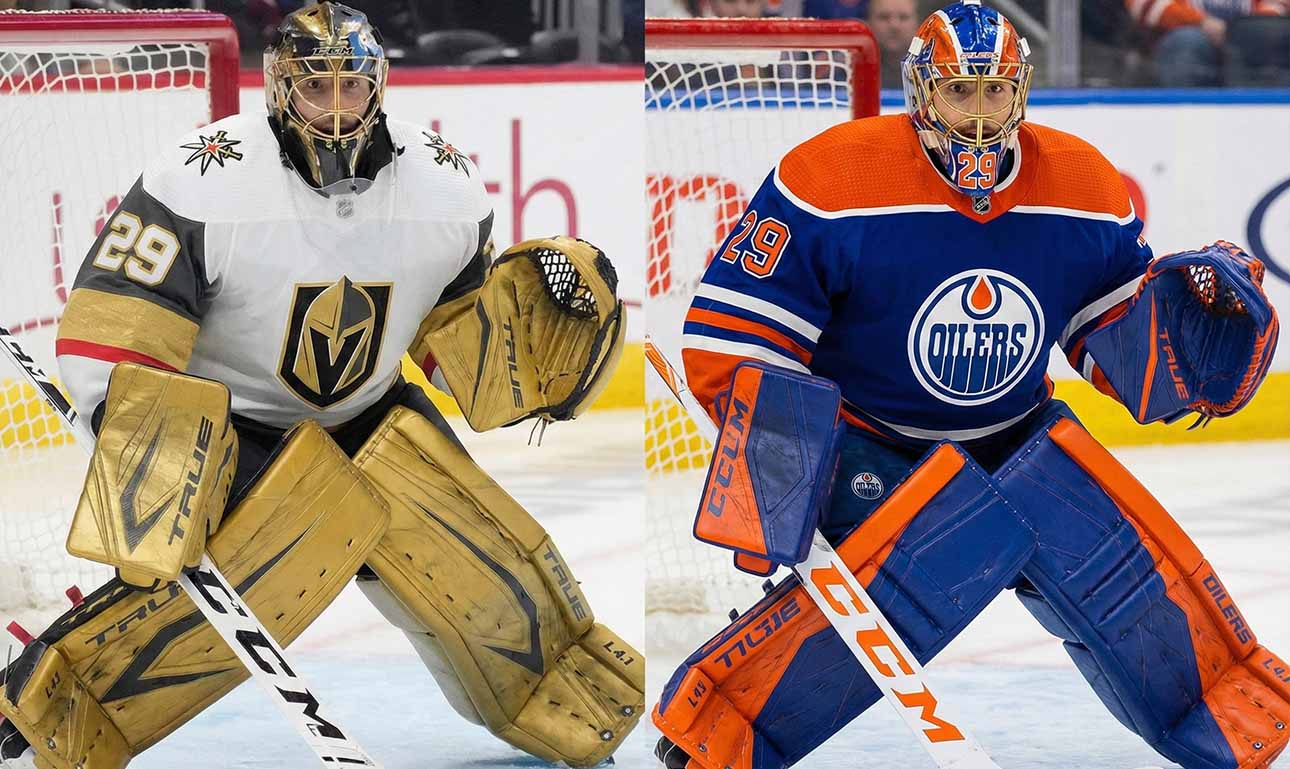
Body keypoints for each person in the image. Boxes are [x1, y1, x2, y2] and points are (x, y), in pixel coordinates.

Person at [0, 4, 642, 769]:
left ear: (379, 86)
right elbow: (114, 319)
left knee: (483, 564)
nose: (337, 107)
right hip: (231, 424)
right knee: (251, 567)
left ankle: (560, 698)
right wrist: (151, 447)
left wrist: (519, 359)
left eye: (353, 86)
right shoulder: (201, 178)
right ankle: (45, 705)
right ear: (280, 87)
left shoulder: (444, 186)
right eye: (317, 87)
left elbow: (456, 348)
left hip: (371, 414)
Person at [651, 2, 1287, 769]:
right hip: (872, 445)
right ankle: (715, 728)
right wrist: (782, 470)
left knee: (1116, 572)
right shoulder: (831, 176)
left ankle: (1231, 721)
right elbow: (733, 338)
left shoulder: (1082, 182)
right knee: (928, 560)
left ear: (1021, 91)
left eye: (995, 90)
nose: (980, 113)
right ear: (923, 93)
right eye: (960, 90)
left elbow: (1111, 343)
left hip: (1018, 439)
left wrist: (1177, 350)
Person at [1126, 0, 1289, 86]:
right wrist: (1201, 22)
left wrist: (1247, 29)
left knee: (1265, 39)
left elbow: (1278, 4)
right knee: (1187, 41)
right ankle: (1187, 118)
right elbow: (1144, 4)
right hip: (1183, 40)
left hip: (1247, 44)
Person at [866, 0, 919, 88]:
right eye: (884, 17)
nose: (894, 26)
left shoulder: (934, 71)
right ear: (869, 22)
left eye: (903, 17)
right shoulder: (849, 70)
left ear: (918, 23)